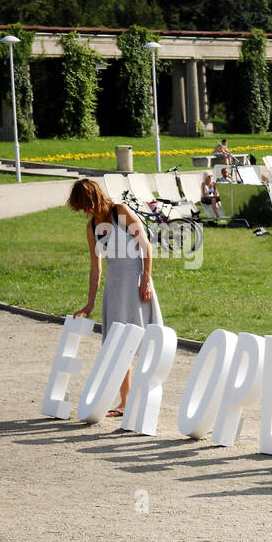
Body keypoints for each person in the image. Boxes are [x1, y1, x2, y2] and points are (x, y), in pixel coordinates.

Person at [66, 178, 162, 418]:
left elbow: (146, 246)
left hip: (137, 283)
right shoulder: (91, 228)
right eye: (81, 208)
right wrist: (90, 304)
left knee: (145, 341)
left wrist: (146, 280)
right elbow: (95, 266)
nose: (85, 211)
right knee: (119, 346)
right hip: (114, 288)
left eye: (86, 205)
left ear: (95, 197)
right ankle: (125, 401)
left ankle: (146, 400)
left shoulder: (120, 212)